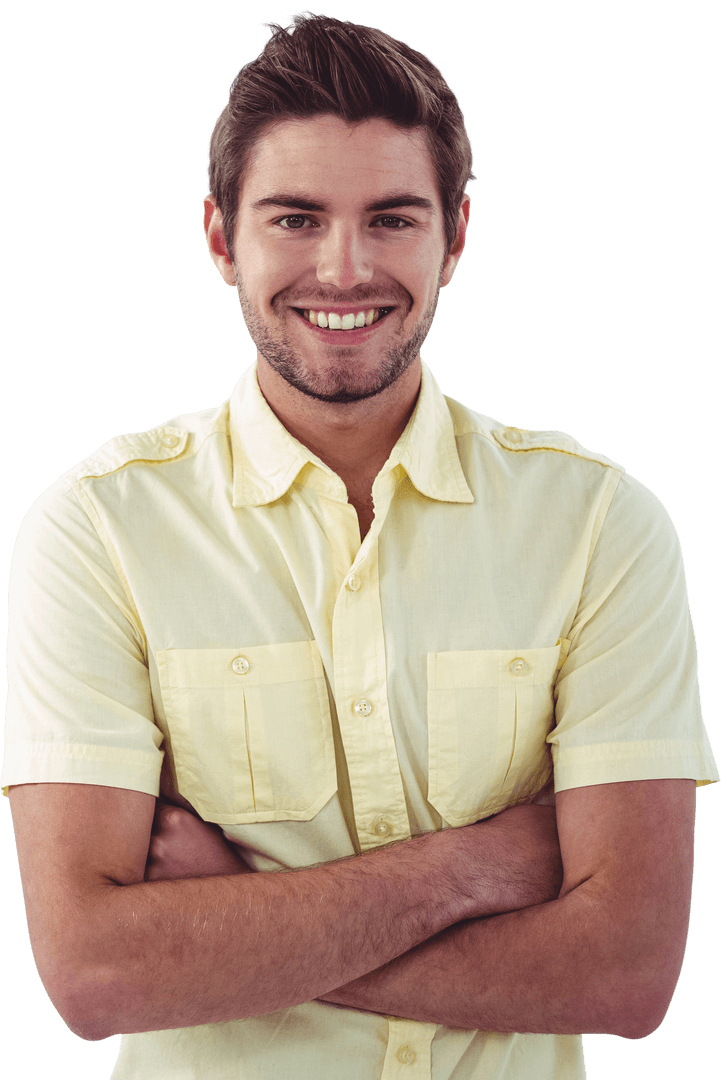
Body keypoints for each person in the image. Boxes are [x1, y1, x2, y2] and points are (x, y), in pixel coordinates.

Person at [3, 11, 718, 1080]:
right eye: (294, 219)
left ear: (455, 237)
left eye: (391, 219)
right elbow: (96, 978)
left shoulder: (602, 526)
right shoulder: (95, 529)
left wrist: (226, 921)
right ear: (218, 238)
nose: (343, 271)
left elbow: (623, 974)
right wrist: (472, 868)